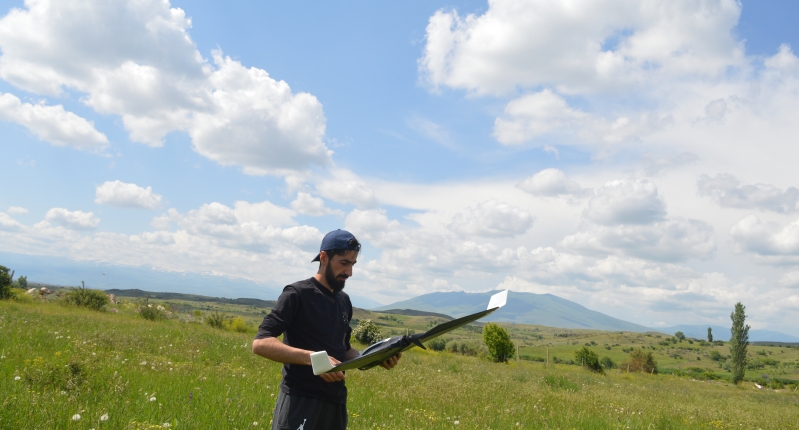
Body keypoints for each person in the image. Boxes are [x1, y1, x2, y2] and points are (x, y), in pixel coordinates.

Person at [252, 229, 401, 430]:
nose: (349, 272)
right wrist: (312, 358)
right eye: (344, 263)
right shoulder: (297, 294)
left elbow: (344, 350)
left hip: (335, 403)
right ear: (323, 258)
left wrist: (374, 358)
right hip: (300, 400)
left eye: (353, 264)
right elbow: (261, 343)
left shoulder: (344, 301)